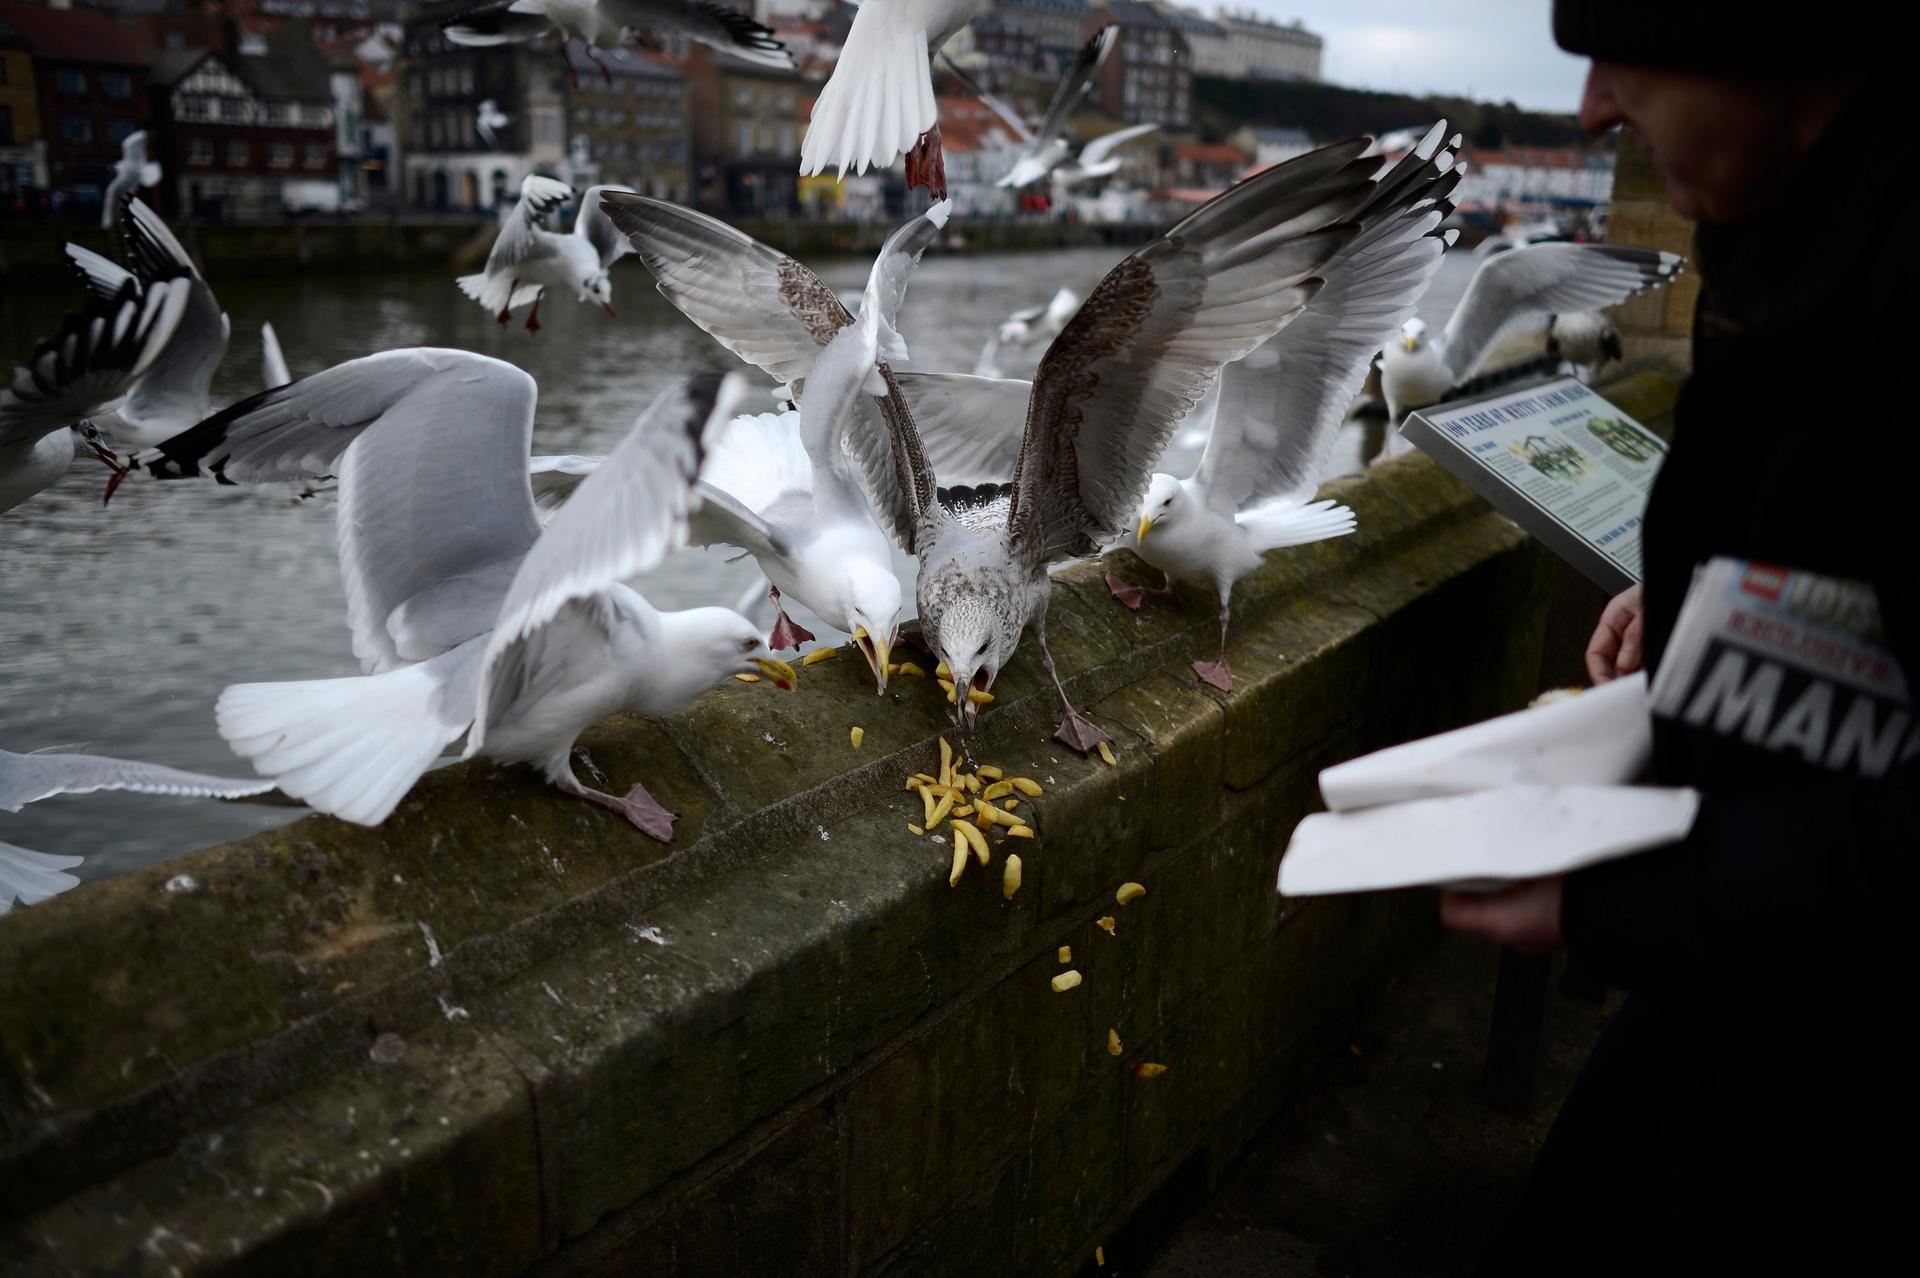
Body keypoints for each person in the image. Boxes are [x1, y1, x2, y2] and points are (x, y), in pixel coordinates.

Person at [1440, 7, 1915, 1273]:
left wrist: (1612, 897)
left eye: (1624, 45)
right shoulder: (1804, 225)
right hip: (1743, 1004)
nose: (1592, 104)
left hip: (1858, 1076)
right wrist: (1712, 598)